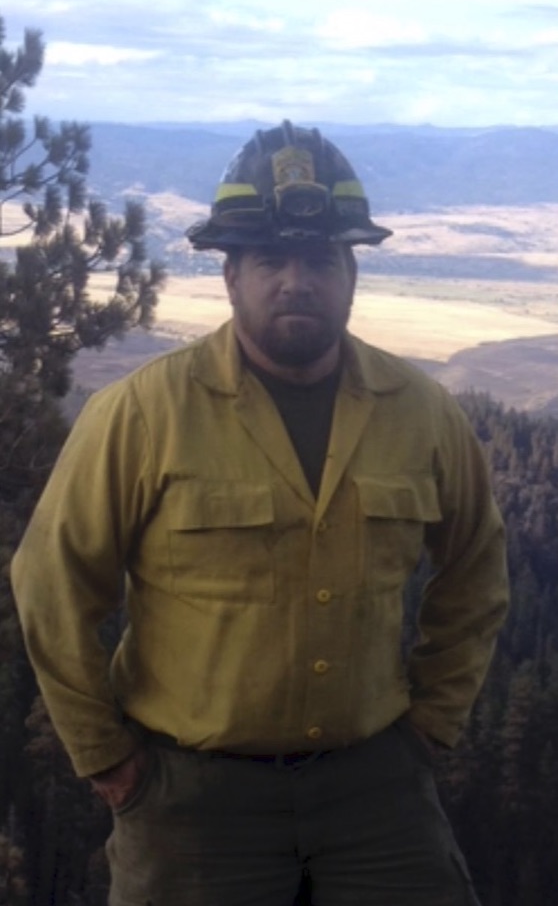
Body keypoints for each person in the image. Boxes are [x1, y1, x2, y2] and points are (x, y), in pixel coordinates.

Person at [11, 120, 509, 906]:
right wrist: (107, 759)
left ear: (351, 273)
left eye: (318, 260)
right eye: (270, 260)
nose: (295, 281)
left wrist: (432, 721)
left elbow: (476, 569)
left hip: (376, 789)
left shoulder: (422, 413)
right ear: (230, 277)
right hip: (191, 803)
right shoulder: (142, 413)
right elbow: (52, 583)